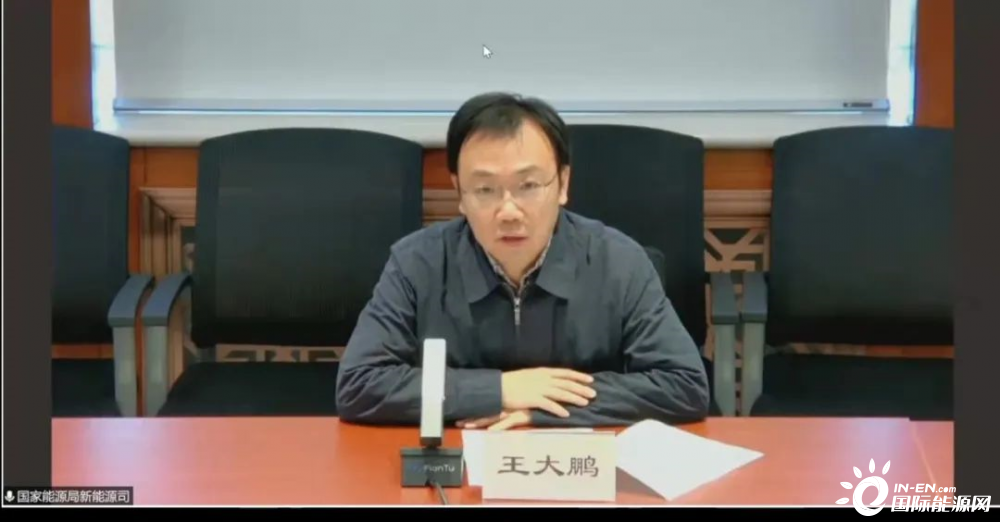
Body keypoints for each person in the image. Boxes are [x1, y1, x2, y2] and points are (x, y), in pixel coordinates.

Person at [336, 92, 709, 430]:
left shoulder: (619, 262)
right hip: (458, 456)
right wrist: (500, 389)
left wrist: (544, 408)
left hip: (581, 460)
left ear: (562, 184)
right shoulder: (417, 263)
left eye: (528, 186)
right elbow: (358, 385)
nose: (509, 211)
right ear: (459, 193)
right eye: (485, 189)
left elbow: (684, 384)